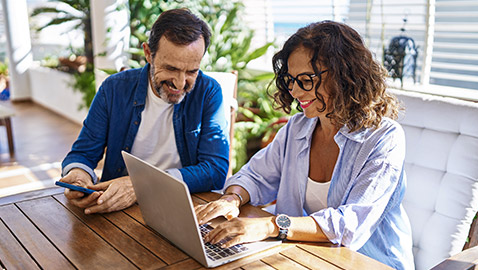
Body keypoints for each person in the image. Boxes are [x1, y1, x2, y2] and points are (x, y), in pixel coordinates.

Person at [195, 21, 414, 270]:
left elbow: (349, 225)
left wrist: (270, 225)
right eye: (291, 80)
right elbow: (256, 176)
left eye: (306, 80)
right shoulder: (298, 128)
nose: (296, 91)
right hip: (300, 258)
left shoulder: (384, 138)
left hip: (368, 263)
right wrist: (233, 199)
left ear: (345, 76)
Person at [60, 9, 230, 215]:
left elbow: (215, 170)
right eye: (171, 69)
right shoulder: (113, 88)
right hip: (118, 208)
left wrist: (142, 185)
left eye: (192, 71)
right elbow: (83, 153)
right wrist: (79, 175)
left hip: (182, 206)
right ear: (148, 54)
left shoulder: (209, 92)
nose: (180, 83)